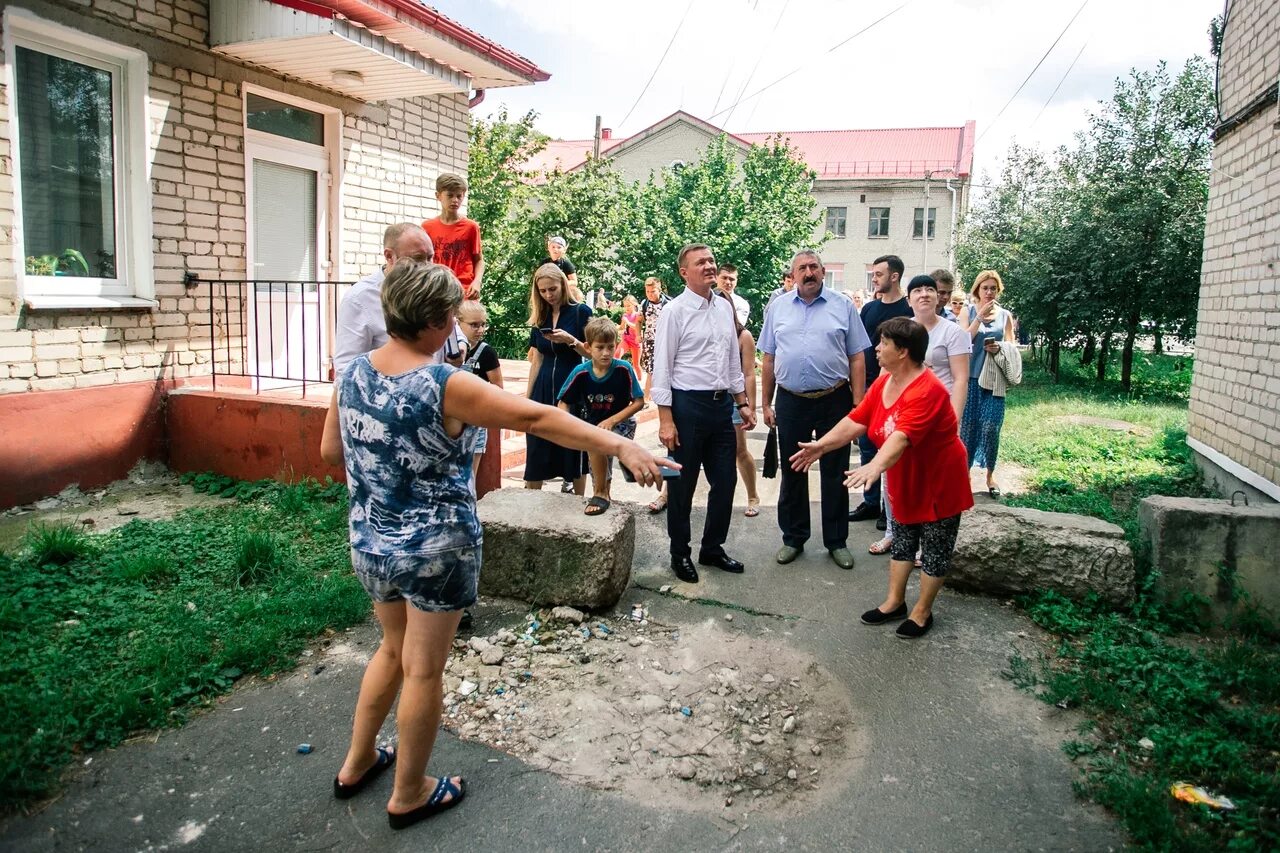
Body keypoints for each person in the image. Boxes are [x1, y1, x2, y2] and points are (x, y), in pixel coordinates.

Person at [320, 259, 667, 830]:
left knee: (390, 650)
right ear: (437, 322)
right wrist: (621, 445)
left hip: (371, 542)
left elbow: (334, 453)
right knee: (425, 670)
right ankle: (409, 791)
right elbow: (535, 417)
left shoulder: (352, 373)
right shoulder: (444, 384)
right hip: (436, 550)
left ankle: (357, 763)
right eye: (454, 316)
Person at [791, 316, 973, 639]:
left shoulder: (928, 389)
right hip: (904, 473)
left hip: (937, 480)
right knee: (902, 540)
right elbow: (857, 419)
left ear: (903, 351)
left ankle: (922, 612)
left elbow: (901, 437)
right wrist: (821, 446)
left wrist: (873, 468)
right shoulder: (885, 381)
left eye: (884, 343)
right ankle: (894, 602)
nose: (876, 349)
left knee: (933, 548)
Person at [652, 243, 756, 583]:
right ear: (684, 272)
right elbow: (663, 368)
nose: (710, 266)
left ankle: (712, 548)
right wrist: (665, 419)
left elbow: (731, 361)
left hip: (721, 407)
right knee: (681, 485)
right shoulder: (675, 311)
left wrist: (741, 402)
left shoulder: (725, 308)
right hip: (686, 407)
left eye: (711, 260)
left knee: (725, 482)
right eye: (701, 262)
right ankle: (679, 553)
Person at [760, 250, 868, 570]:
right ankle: (793, 538)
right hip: (791, 399)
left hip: (834, 399)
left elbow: (857, 358)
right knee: (793, 471)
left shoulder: (843, 306)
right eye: (801, 268)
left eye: (813, 267)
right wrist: (765, 403)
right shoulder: (777, 307)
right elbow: (768, 358)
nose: (808, 273)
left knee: (835, 471)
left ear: (822, 272)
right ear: (792, 275)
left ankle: (836, 542)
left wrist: (858, 404)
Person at [869, 274, 970, 556]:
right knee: (892, 477)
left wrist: (955, 420)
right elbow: (884, 371)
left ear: (939, 297)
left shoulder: (952, 332)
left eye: (930, 289)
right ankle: (893, 532)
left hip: (936, 418)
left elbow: (960, 380)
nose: (924, 294)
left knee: (927, 481)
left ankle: (925, 545)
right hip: (901, 415)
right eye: (917, 290)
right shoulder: (899, 330)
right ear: (909, 298)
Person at [333, 223, 467, 375]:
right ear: (389, 256)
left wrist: (461, 345)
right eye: (418, 258)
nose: (427, 266)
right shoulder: (359, 299)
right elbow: (346, 369)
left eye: (430, 258)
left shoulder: (432, 287)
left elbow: (451, 327)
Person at [557, 317, 645, 515]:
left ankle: (601, 492)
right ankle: (604, 491)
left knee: (598, 443)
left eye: (610, 347)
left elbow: (639, 401)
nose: (606, 353)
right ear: (588, 347)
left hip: (622, 423)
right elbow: (564, 401)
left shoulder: (623, 369)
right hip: (595, 423)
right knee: (598, 453)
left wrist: (613, 420)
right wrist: (565, 423)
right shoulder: (580, 372)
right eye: (600, 347)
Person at [849, 255, 912, 526]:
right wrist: (858, 389)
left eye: (878, 274)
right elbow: (860, 350)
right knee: (867, 444)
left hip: (897, 386)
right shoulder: (869, 309)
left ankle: (891, 508)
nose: (874, 279)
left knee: (894, 447)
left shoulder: (908, 312)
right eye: (873, 274)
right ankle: (872, 502)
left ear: (894, 276)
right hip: (870, 385)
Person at [523, 263, 593, 492]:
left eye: (552, 289)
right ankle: (530, 505)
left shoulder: (581, 311)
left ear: (563, 285)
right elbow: (538, 359)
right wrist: (528, 396)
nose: (548, 295)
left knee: (574, 450)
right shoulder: (540, 316)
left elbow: (594, 353)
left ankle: (578, 504)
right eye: (543, 291)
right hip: (543, 386)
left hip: (572, 384)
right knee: (536, 448)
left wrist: (570, 340)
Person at [960, 270, 1016, 498]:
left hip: (994, 382)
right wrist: (979, 318)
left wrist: (1000, 348)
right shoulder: (968, 311)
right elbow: (962, 340)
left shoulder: (1005, 315)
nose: (989, 292)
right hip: (971, 379)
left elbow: (1012, 346)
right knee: (968, 429)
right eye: (985, 288)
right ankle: (963, 475)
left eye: (993, 288)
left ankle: (990, 475)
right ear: (977, 290)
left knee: (991, 427)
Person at [718, 290, 762, 518]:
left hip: (734, 399)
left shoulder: (742, 336)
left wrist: (750, 407)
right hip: (705, 401)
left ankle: (753, 495)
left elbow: (749, 374)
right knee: (689, 451)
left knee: (739, 450)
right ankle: (667, 493)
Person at [458, 300, 503, 479]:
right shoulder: (448, 347)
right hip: (450, 420)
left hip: (475, 421)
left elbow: (498, 388)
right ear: (457, 323)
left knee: (470, 475)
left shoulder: (486, 353)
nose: (480, 329)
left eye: (483, 324)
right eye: (474, 325)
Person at [421, 174, 483, 300]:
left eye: (459, 196)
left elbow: (479, 260)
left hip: (465, 291)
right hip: (437, 290)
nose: (455, 200)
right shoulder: (427, 227)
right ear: (438, 196)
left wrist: (477, 282)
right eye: (450, 195)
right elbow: (422, 261)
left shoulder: (471, 227)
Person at [638, 276, 670, 404]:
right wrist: (638, 334)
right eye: (647, 291)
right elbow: (639, 321)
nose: (650, 294)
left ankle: (649, 397)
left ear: (659, 290)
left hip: (664, 340)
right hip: (649, 341)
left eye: (653, 291)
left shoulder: (668, 304)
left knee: (660, 368)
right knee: (651, 369)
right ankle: (648, 397)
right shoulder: (644, 304)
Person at [543, 235, 583, 303]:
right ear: (548, 248)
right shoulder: (544, 263)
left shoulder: (566, 264)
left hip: (562, 294)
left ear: (564, 250)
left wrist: (561, 284)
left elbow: (574, 282)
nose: (555, 249)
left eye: (559, 247)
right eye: (553, 247)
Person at [716, 262, 750, 327]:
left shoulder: (741, 304)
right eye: (724, 278)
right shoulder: (704, 298)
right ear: (716, 278)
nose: (728, 282)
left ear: (736, 282)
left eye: (731, 279)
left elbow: (736, 328)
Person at [619, 294, 642, 366]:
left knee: (636, 365)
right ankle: (616, 373)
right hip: (626, 340)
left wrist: (627, 322)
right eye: (625, 306)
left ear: (634, 305)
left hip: (636, 342)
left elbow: (637, 327)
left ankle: (639, 377)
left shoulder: (637, 315)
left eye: (628, 305)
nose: (626, 308)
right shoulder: (625, 315)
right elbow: (622, 327)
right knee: (616, 355)